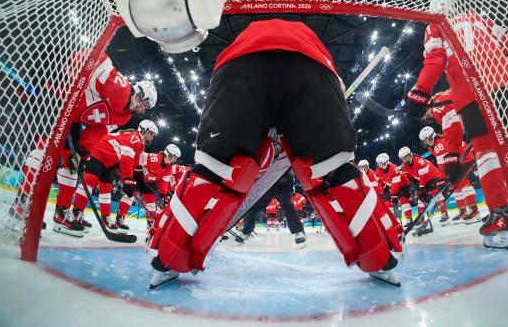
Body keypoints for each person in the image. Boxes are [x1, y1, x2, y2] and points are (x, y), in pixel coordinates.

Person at [147, 19, 402, 288]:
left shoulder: (246, 37)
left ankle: (166, 260)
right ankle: (381, 260)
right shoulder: (311, 40)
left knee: (214, 167)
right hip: (313, 66)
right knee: (336, 168)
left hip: (238, 66)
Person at [403, 4, 508, 246]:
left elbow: (435, 58)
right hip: (506, 83)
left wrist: (420, 92)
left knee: (485, 151)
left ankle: (501, 213)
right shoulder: (474, 17)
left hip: (473, 92)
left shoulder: (435, 25)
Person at [9, 49, 157, 233]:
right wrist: (69, 68)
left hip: (73, 118)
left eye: (146, 108)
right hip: (58, 101)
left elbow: (99, 131)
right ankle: (21, 204)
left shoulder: (125, 118)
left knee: (72, 162)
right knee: (45, 149)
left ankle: (61, 213)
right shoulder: (121, 87)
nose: (142, 109)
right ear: (138, 94)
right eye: (144, 103)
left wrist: (85, 149)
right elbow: (97, 57)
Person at [57, 120, 158, 236]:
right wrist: (128, 179)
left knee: (107, 187)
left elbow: (130, 162)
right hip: (98, 153)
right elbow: (126, 159)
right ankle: (77, 213)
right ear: (143, 130)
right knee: (90, 180)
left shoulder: (140, 144)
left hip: (108, 162)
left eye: (153, 135)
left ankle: (105, 217)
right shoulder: (135, 137)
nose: (152, 137)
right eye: (150, 133)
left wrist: (129, 178)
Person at [419, 126, 480, 223]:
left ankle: (474, 210)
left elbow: (443, 163)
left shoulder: (439, 144)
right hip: (456, 159)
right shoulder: (433, 146)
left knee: (464, 183)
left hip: (464, 158)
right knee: (454, 185)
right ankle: (463, 211)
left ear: (431, 137)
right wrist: (443, 178)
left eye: (425, 140)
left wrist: (442, 178)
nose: (424, 143)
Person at [115, 144, 181, 231]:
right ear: (168, 154)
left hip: (149, 181)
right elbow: (135, 157)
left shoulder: (168, 169)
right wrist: (128, 174)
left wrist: (164, 195)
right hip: (137, 176)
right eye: (174, 157)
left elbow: (163, 184)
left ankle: (150, 223)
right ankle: (120, 217)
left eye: (176, 158)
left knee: (151, 201)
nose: (174, 160)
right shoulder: (154, 158)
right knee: (131, 194)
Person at [235, 170, 307, 248]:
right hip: (270, 183)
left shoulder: (287, 158)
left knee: (286, 203)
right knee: (255, 206)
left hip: (286, 183)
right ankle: (246, 232)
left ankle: (298, 232)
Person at [398, 146, 448, 227]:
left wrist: (421, 189)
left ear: (410, 155)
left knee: (437, 195)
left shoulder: (419, 161)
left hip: (433, 177)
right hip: (424, 181)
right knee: (420, 200)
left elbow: (423, 177)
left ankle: (444, 213)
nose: (404, 160)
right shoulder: (404, 167)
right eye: (402, 158)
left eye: (405, 157)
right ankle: (421, 218)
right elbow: (412, 177)